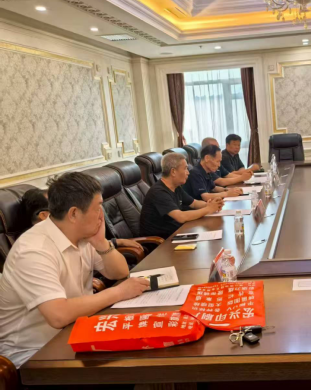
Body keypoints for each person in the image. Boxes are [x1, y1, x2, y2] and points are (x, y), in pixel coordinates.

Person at [0, 173, 149, 369]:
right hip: (33, 354)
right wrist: (119, 292)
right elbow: (58, 315)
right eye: (98, 207)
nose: (101, 214)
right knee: (134, 364)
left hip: (77, 333)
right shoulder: (33, 250)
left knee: (144, 343)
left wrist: (101, 242)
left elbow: (119, 272)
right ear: (74, 214)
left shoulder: (81, 235)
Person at [22, 188, 144, 253]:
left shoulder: (64, 230)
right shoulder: (35, 249)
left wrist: (114, 242)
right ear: (44, 215)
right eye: (57, 207)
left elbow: (90, 245)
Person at [140, 152, 224, 239]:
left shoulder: (176, 187)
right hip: (162, 241)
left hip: (177, 233)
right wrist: (208, 209)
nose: (188, 173)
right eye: (185, 169)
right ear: (173, 172)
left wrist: (212, 204)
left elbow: (194, 203)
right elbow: (181, 217)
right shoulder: (158, 192)